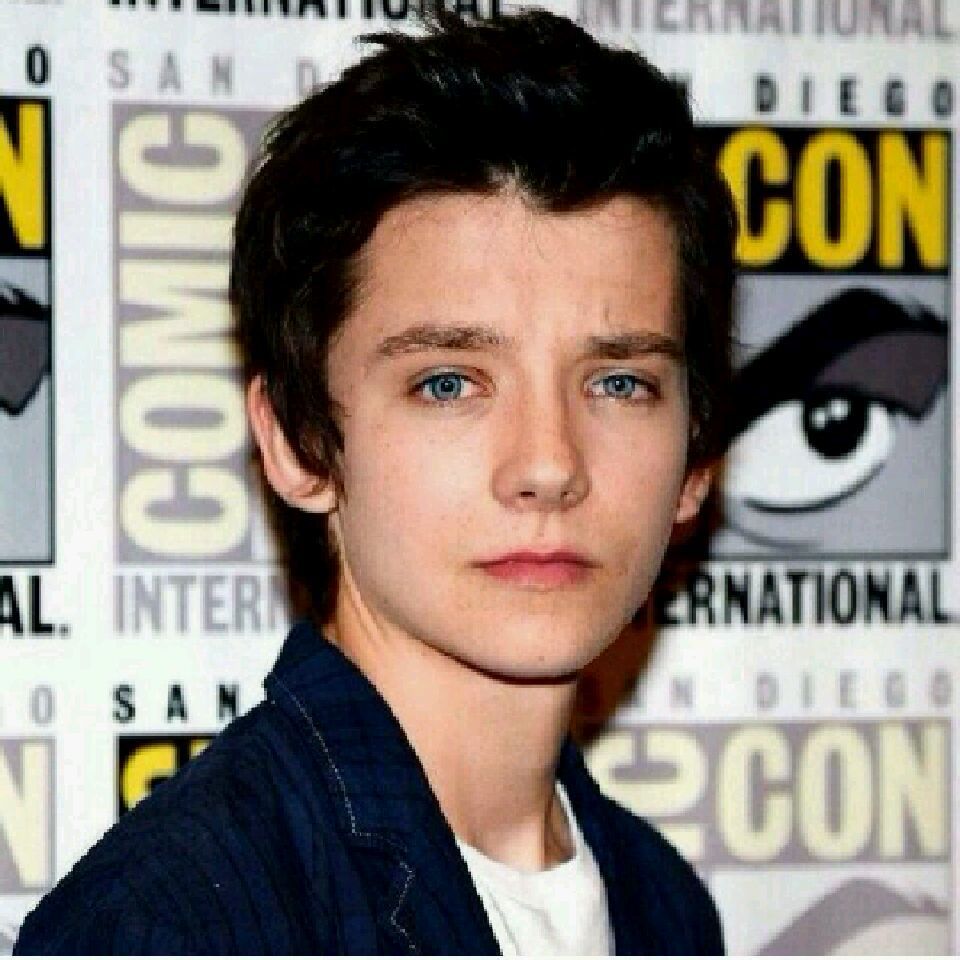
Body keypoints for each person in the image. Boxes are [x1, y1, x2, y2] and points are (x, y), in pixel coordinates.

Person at [16, 7, 735, 955]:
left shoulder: (664, 903)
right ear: (299, 443)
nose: (549, 465)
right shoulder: (171, 921)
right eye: (448, 383)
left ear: (696, 457)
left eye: (618, 383)